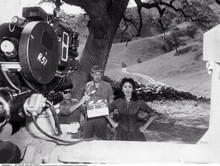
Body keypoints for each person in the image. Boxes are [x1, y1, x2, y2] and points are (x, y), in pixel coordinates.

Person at [82, 65, 114, 140]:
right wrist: (82, 114)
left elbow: (111, 100)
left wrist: (111, 117)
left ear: (102, 75)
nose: (97, 77)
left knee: (102, 139)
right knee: (86, 139)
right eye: (95, 74)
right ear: (91, 74)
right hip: (89, 116)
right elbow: (85, 101)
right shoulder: (88, 85)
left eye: (99, 74)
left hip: (102, 117)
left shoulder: (107, 86)